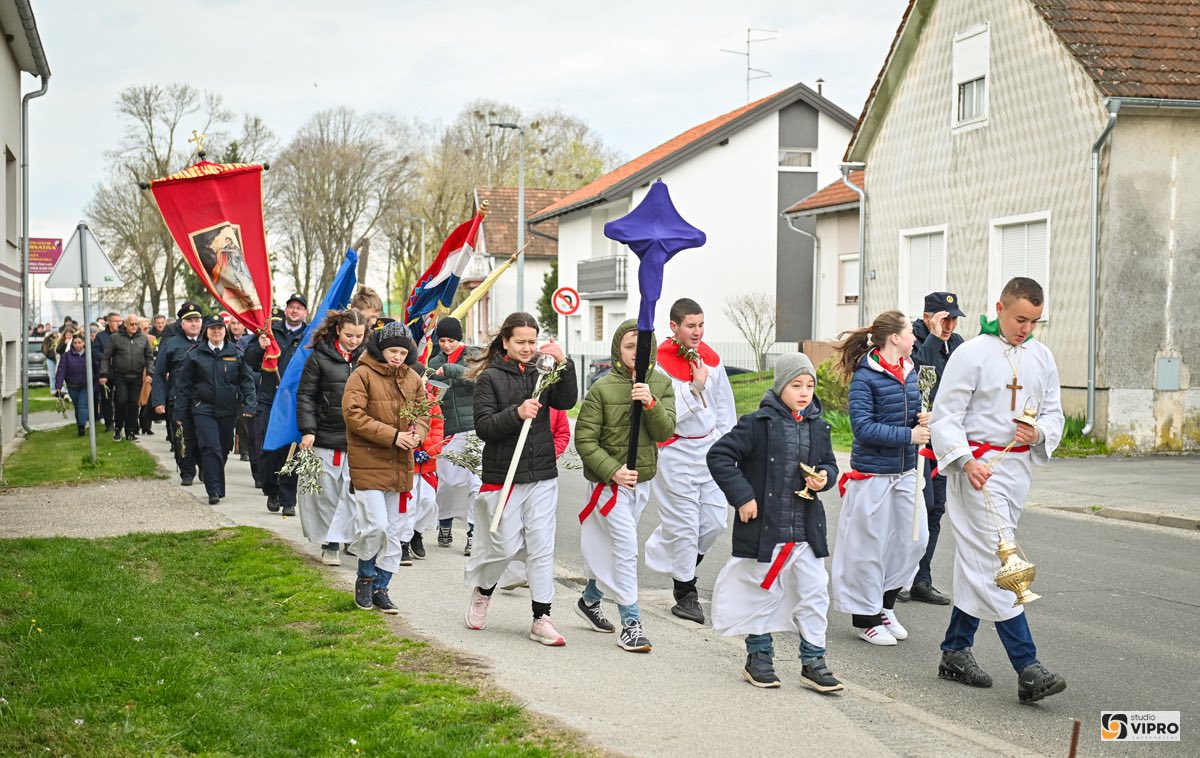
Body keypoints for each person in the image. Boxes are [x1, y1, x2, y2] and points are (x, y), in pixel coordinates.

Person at [931, 277, 1066, 704]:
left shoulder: (1042, 357)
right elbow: (945, 415)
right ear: (1000, 308)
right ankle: (1028, 666)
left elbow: (1054, 413)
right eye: (1020, 318)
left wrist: (1039, 433)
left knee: (979, 560)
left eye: (1034, 321)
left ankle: (955, 651)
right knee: (1001, 558)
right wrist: (965, 461)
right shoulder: (972, 354)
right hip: (977, 470)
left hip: (1016, 470)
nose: (1025, 328)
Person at [708, 354, 842, 691]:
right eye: (796, 385)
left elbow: (828, 464)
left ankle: (813, 661)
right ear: (781, 386)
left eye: (809, 385)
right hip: (766, 534)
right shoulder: (757, 424)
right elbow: (720, 456)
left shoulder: (819, 426)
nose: (804, 392)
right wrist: (743, 497)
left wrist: (824, 477)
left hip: (806, 532)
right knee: (761, 593)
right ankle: (759, 657)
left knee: (814, 594)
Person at [463, 312, 577, 645]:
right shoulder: (490, 378)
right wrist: (517, 413)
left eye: (532, 341)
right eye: (521, 342)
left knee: (542, 546)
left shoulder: (544, 371)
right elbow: (484, 426)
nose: (528, 348)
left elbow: (566, 400)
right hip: (504, 475)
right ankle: (483, 592)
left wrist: (564, 365)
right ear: (506, 343)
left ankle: (542, 618)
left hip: (541, 474)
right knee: (503, 545)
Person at [573, 319, 675, 652]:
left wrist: (650, 403)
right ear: (619, 349)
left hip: (640, 483)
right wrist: (613, 470)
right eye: (630, 346)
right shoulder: (602, 388)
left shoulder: (661, 384)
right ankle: (631, 623)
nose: (637, 352)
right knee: (626, 548)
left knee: (610, 549)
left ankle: (590, 599)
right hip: (609, 485)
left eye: (642, 346)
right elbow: (585, 440)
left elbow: (664, 432)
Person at [830, 310, 929, 646]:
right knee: (867, 548)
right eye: (910, 332)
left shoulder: (910, 371)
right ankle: (866, 618)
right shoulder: (865, 377)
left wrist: (923, 418)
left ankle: (885, 605)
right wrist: (909, 436)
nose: (915, 337)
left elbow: (910, 414)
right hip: (872, 474)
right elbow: (863, 428)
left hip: (906, 472)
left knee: (914, 540)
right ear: (895, 338)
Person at [645, 298, 737, 624]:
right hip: (676, 451)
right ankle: (685, 593)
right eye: (690, 326)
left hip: (709, 450)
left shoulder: (711, 358)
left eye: (701, 325)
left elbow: (724, 407)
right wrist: (694, 387)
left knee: (713, 521)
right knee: (685, 526)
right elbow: (663, 416)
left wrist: (728, 447)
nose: (697, 332)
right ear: (674, 327)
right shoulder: (658, 364)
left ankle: (670, 550)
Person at [335, 322, 430, 615]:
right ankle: (365, 577)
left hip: (401, 465)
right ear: (381, 348)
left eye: (402, 352)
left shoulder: (413, 378)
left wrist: (418, 433)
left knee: (395, 531)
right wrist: (392, 436)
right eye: (392, 350)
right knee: (374, 526)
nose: (397, 357)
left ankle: (382, 587)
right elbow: (353, 415)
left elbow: (424, 413)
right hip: (369, 462)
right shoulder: (361, 374)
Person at [900, 291, 967, 606]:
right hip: (916, 438)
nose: (950, 325)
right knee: (915, 507)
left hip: (944, 438)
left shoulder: (957, 345)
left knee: (936, 508)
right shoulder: (913, 340)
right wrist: (931, 339)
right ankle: (898, 577)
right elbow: (916, 373)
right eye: (944, 318)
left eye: (953, 319)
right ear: (928, 317)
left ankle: (921, 579)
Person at [296, 309, 369, 566]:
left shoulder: (369, 358)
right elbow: (305, 395)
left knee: (354, 493)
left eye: (359, 336)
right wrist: (308, 430)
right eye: (349, 335)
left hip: (360, 438)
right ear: (338, 330)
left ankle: (351, 537)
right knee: (327, 493)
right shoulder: (319, 358)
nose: (354, 340)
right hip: (326, 437)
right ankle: (330, 542)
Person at [172, 315, 257, 505]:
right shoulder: (195, 354)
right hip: (203, 408)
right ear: (206, 332)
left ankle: (216, 482)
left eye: (219, 328)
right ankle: (213, 489)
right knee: (211, 447)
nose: (216, 332)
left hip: (228, 410)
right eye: (212, 328)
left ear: (224, 330)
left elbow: (246, 381)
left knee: (224, 448)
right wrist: (180, 412)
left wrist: (250, 403)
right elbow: (184, 386)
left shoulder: (235, 352)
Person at [246, 294, 309, 516]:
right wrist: (260, 347)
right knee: (268, 450)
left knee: (290, 451)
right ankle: (271, 490)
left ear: (305, 313)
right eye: (291, 307)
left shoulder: (311, 337)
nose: (294, 311)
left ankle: (288, 499)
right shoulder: (269, 330)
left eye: (299, 308)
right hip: (268, 400)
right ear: (285, 310)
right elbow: (249, 360)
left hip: (294, 403)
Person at [428, 316, 482, 553]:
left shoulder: (473, 354)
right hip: (447, 430)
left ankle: (473, 533)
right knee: (448, 483)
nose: (446, 345)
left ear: (458, 338)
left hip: (474, 428)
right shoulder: (434, 360)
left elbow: (478, 378)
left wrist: (451, 370)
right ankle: (445, 523)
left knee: (476, 483)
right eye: (442, 340)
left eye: (450, 340)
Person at [152, 303, 205, 487]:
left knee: (203, 436)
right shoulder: (171, 344)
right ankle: (187, 471)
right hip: (178, 399)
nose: (194, 324)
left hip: (203, 400)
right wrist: (158, 401)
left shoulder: (208, 341)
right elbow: (159, 374)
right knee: (183, 437)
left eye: (197, 320)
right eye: (189, 320)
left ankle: (204, 466)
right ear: (181, 324)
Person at [400, 374, 445, 565]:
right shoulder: (402, 399)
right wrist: (412, 450)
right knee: (408, 504)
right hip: (407, 460)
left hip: (426, 463)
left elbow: (436, 427)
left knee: (427, 501)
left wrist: (429, 450)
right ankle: (402, 541)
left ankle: (416, 532)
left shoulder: (431, 401)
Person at [99, 312, 154, 442]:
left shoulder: (143, 338)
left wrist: (150, 373)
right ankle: (118, 428)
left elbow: (149, 357)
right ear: (125, 324)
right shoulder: (115, 338)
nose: (134, 326)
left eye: (136, 324)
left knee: (133, 405)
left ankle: (130, 432)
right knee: (121, 401)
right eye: (131, 324)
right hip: (121, 376)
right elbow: (106, 357)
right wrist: (103, 374)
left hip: (137, 375)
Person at [54, 334, 92, 435]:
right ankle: (80, 423)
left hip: (86, 385)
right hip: (72, 386)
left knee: (82, 405)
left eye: (79, 342)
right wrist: (58, 385)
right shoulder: (67, 356)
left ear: (84, 343)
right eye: (75, 343)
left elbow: (95, 368)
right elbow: (61, 370)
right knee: (77, 406)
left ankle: (82, 426)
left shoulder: (89, 354)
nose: (77, 345)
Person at [94, 313, 122, 431]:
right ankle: (109, 423)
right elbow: (95, 351)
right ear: (109, 322)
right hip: (106, 372)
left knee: (120, 398)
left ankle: (120, 421)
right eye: (116, 321)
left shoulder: (122, 335)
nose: (118, 323)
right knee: (106, 399)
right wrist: (106, 358)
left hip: (120, 371)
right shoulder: (101, 336)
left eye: (119, 321)